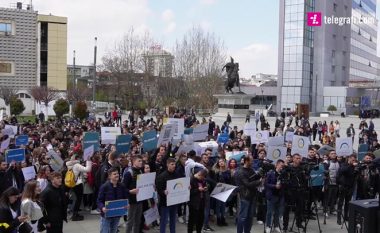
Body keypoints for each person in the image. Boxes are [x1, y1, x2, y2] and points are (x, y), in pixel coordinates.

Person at [235, 155, 262, 233]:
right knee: (243, 216)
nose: (253, 162)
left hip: (252, 196)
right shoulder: (240, 171)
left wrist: (260, 175)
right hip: (244, 196)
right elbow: (248, 184)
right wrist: (259, 181)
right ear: (246, 161)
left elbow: (253, 179)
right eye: (251, 161)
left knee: (250, 217)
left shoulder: (251, 170)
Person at [97, 167, 128, 233]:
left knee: (113, 230)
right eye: (114, 174)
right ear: (109, 176)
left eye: (117, 173)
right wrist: (102, 207)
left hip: (117, 214)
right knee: (104, 231)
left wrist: (126, 205)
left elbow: (125, 198)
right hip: (106, 215)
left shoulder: (122, 186)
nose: (117, 175)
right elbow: (99, 200)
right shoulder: (104, 187)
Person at [65, 154, 92, 221]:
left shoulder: (69, 165)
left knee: (76, 199)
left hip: (71, 183)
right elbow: (88, 169)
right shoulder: (76, 165)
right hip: (77, 184)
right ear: (77, 159)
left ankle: (74, 212)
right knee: (78, 199)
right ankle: (75, 214)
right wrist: (88, 161)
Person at [156, 158, 179, 233]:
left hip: (174, 201)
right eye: (172, 164)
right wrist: (163, 192)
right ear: (167, 165)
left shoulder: (176, 174)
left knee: (173, 220)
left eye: (174, 164)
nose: (174, 166)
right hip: (165, 203)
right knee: (164, 221)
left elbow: (180, 185)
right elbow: (159, 190)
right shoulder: (162, 176)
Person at [123, 156, 144, 233]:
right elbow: (123, 188)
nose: (141, 162)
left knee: (137, 221)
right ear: (134, 162)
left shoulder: (141, 171)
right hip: (131, 201)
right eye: (139, 161)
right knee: (130, 221)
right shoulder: (128, 173)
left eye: (141, 161)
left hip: (139, 200)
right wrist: (130, 191)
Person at [265, 160, 285, 233]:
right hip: (271, 195)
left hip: (279, 196)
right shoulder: (270, 173)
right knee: (269, 212)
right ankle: (268, 226)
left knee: (277, 212)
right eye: (280, 165)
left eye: (283, 166)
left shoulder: (283, 174)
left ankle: (276, 226)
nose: (281, 167)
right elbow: (266, 184)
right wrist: (274, 186)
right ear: (276, 165)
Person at [188, 168, 208, 233]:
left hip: (201, 202)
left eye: (203, 177)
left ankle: (199, 231)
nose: (202, 178)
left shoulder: (203, 180)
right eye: (201, 176)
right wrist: (198, 190)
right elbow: (189, 193)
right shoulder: (191, 180)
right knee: (192, 220)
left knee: (200, 219)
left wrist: (205, 188)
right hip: (193, 204)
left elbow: (205, 186)